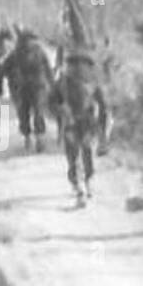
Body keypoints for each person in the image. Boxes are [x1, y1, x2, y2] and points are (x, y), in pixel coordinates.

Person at [48, 45, 109, 204]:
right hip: (78, 123)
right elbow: (50, 103)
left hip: (81, 123)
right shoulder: (68, 83)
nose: (78, 69)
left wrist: (103, 131)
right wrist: (61, 109)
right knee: (79, 153)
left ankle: (83, 183)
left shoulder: (72, 83)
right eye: (75, 65)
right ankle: (82, 185)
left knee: (79, 154)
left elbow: (104, 106)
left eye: (81, 65)